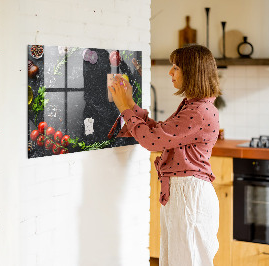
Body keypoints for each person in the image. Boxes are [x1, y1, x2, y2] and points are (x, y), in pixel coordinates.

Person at [109, 44, 221, 266]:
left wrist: (124, 108)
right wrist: (130, 104)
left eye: (176, 67)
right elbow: (160, 133)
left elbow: (152, 141)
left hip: (189, 195)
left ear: (192, 72)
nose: (170, 72)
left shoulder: (198, 111)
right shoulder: (194, 106)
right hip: (184, 193)